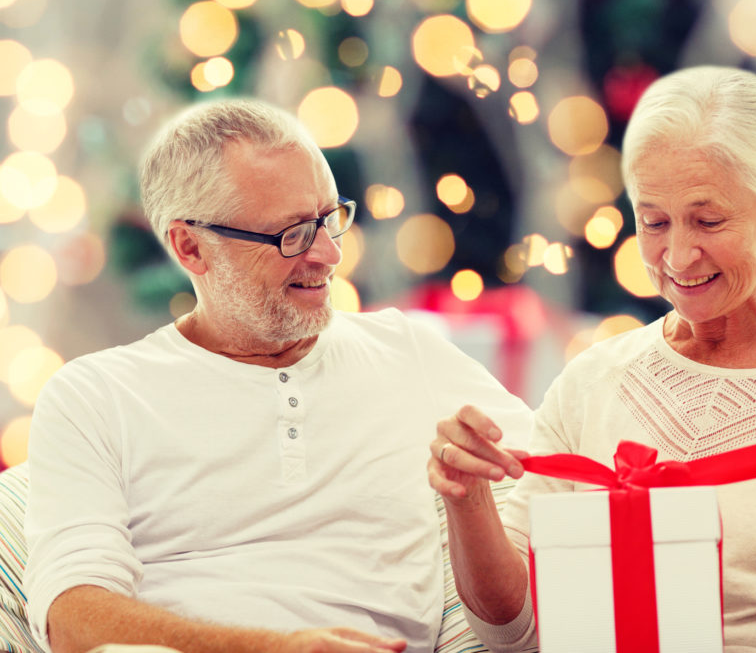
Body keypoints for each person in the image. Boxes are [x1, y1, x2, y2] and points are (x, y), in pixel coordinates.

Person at [429, 66, 756, 653]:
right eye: (653, 222)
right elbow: (514, 634)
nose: (678, 256)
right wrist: (466, 499)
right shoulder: (590, 383)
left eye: (708, 220)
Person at [25, 99, 532, 653]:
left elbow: (568, 479)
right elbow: (71, 618)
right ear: (190, 247)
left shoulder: (407, 352)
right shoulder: (95, 396)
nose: (330, 254)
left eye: (329, 218)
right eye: (292, 234)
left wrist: (472, 496)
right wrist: (272, 648)